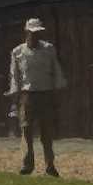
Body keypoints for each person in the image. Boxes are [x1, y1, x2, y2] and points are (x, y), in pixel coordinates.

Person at [7, 17, 67, 176]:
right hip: (27, 96)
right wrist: (15, 97)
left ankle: (50, 165)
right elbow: (15, 76)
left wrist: (58, 91)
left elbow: (56, 71)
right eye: (33, 33)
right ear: (26, 32)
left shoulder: (49, 49)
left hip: (46, 94)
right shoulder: (17, 52)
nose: (35, 36)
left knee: (47, 132)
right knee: (26, 130)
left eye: (38, 33)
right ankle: (28, 165)